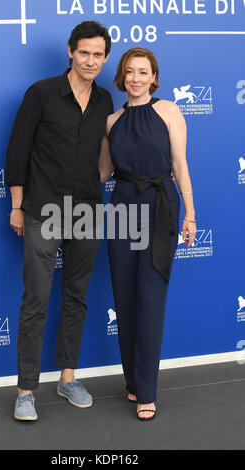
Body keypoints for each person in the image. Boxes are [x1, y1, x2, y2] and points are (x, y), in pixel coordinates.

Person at [5, 21, 113, 421]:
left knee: (77, 297)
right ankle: (26, 390)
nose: (90, 60)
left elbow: (104, 152)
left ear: (105, 58)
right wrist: (17, 205)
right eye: (83, 52)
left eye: (97, 54)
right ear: (71, 51)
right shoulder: (42, 93)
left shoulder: (105, 99)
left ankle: (68, 376)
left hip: (87, 209)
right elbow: (17, 149)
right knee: (36, 299)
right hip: (42, 209)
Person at [98, 47, 196, 421]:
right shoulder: (111, 121)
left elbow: (179, 165)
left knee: (150, 296)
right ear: (121, 77)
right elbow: (103, 173)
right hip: (122, 207)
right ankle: (134, 382)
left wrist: (190, 213)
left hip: (160, 206)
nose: (136, 78)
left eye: (144, 72)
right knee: (124, 296)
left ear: (154, 77)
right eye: (130, 72)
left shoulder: (169, 110)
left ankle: (148, 393)